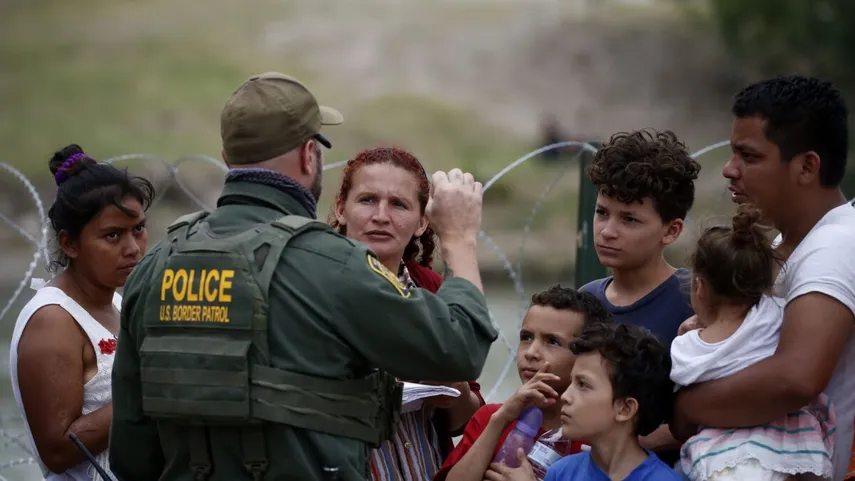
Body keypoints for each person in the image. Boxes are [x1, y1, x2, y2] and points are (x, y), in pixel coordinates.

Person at [108, 72, 498, 481]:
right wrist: (458, 237)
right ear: (309, 155)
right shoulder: (332, 264)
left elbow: (132, 453)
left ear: (226, 156)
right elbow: (461, 348)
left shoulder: (155, 266)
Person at [671, 75, 855, 481]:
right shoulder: (783, 242)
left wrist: (685, 407)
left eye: (749, 157)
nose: (728, 170)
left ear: (807, 166)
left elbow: (796, 377)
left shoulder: (835, 245)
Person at [329, 146, 484, 480]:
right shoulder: (312, 284)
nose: (381, 215)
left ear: (422, 222)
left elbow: (466, 421)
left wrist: (450, 385)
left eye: (398, 204)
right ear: (341, 209)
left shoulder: (433, 288)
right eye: (367, 199)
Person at [9, 144, 154, 481]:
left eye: (139, 230)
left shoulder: (117, 303)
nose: (133, 249)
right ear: (70, 244)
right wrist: (154, 389)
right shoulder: (53, 321)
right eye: (112, 235)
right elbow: (57, 451)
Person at [672, 203, 834, 481]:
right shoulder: (779, 315)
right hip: (797, 447)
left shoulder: (687, 349)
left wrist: (685, 335)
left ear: (699, 288)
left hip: (727, 460)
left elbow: (680, 388)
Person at [578, 129, 700, 464]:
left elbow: (707, 408)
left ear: (671, 230)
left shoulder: (696, 301)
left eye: (629, 219)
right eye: (602, 212)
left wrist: (629, 442)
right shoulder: (585, 302)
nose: (607, 231)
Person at [436, 285, 610, 481]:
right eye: (526, 337)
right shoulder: (490, 418)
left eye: (552, 341)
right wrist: (499, 421)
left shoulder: (594, 441)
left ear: (585, 354)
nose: (531, 352)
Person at [484, 322, 680, 481]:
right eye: (572, 383)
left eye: (583, 385)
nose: (566, 397)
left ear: (625, 408)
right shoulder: (562, 472)